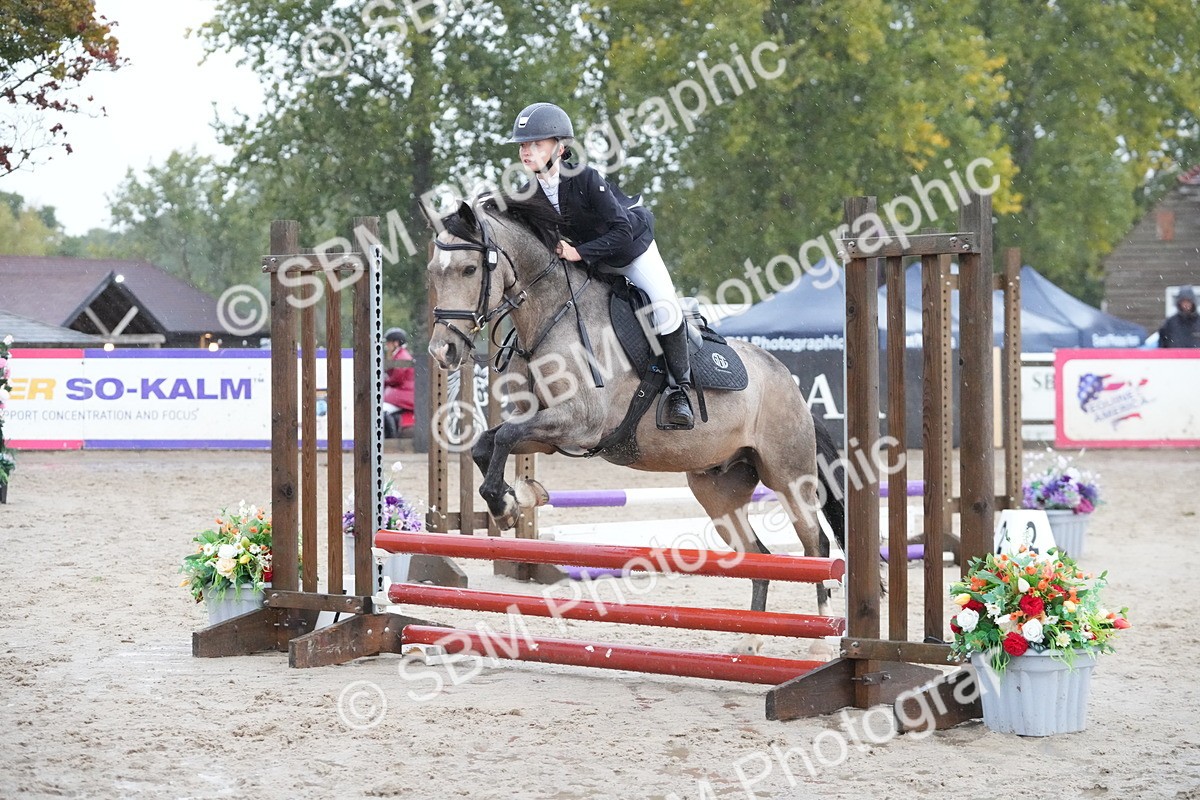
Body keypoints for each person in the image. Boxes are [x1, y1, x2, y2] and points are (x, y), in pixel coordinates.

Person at [510, 101, 694, 428]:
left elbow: (621, 230)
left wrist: (578, 252)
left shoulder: (584, 178)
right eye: (524, 145)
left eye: (536, 144)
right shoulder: (529, 194)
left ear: (560, 147)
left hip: (631, 251)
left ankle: (681, 390)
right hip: (592, 263)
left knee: (666, 308)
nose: (526, 151)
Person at [382, 327, 415, 436]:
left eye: (389, 343)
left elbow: (397, 379)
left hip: (403, 396)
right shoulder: (399, 354)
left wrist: (383, 380)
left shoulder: (402, 357)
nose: (387, 346)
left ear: (396, 343)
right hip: (401, 394)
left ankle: (390, 436)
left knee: (381, 410)